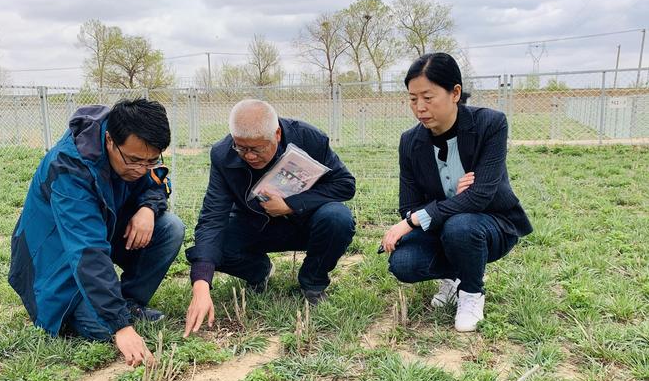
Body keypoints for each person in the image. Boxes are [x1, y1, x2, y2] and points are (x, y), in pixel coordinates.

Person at [8, 99, 185, 366]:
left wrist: (148, 208)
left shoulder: (136, 154)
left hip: (102, 233)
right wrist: (120, 327)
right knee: (103, 328)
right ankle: (112, 312)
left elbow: (156, 180)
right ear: (110, 140)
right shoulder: (69, 168)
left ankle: (128, 301)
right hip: (55, 260)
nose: (141, 169)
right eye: (135, 160)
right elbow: (86, 250)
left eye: (150, 160)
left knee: (170, 228)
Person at [382, 53, 532, 332]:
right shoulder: (410, 141)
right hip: (441, 228)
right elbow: (409, 204)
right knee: (403, 264)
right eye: (413, 99)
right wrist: (447, 201)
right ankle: (451, 278)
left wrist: (415, 220)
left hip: (491, 225)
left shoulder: (490, 124)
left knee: (461, 226)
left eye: (428, 97)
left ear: (455, 93)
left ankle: (472, 293)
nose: (419, 107)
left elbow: (481, 196)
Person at [184, 99, 356, 337]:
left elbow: (345, 185)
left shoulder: (309, 138)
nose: (249, 156)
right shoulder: (222, 154)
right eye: (241, 148)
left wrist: (291, 205)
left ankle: (313, 282)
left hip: (306, 223)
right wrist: (201, 284)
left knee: (338, 218)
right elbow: (213, 216)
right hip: (255, 226)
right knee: (210, 248)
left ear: (276, 134)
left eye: (257, 148)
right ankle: (259, 271)